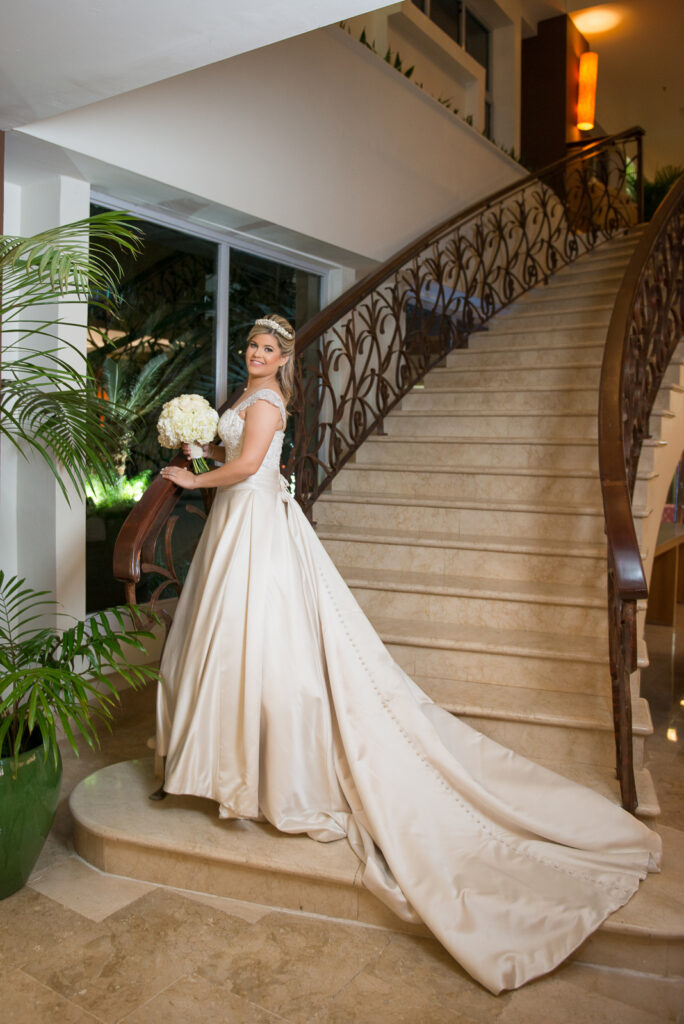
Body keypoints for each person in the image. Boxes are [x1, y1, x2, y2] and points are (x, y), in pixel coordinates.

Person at [157, 314, 661, 995]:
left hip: (255, 530)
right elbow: (236, 463)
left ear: (284, 360)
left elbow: (248, 468)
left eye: (269, 348)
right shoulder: (243, 400)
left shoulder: (270, 403)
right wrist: (195, 453)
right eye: (251, 345)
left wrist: (195, 480)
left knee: (267, 649)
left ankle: (262, 773)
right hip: (238, 527)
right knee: (227, 643)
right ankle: (222, 763)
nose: (257, 354)